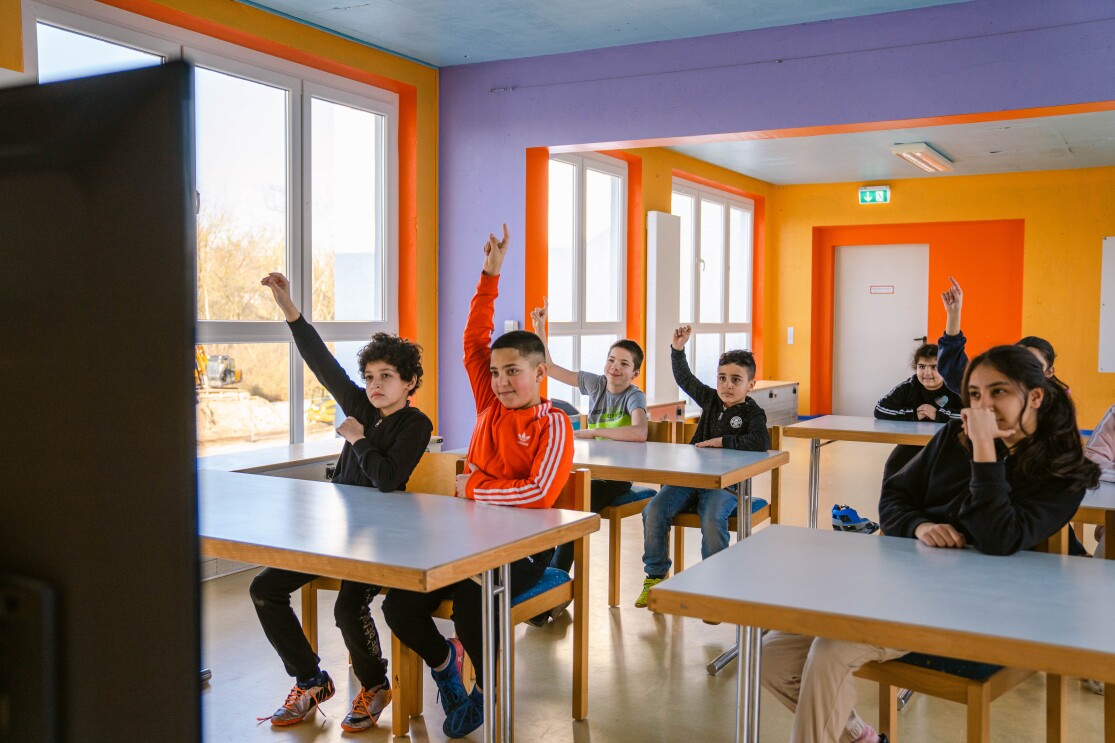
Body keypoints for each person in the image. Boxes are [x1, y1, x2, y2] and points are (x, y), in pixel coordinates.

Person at [762, 345, 1100, 743]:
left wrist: (985, 452)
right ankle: (860, 738)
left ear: (1036, 396)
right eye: (973, 394)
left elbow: (998, 536)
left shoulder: (1062, 475)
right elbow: (894, 497)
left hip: (982, 610)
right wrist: (920, 525)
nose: (983, 406)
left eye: (998, 392)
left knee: (830, 652)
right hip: (907, 587)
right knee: (772, 655)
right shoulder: (952, 439)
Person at [382, 225, 574, 738]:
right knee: (399, 603)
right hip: (465, 540)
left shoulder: (553, 422)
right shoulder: (490, 404)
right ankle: (445, 665)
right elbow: (473, 339)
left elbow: (538, 495)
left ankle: (488, 692)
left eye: (513, 371)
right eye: (495, 372)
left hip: (525, 548)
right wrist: (491, 273)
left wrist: (473, 486)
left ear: (539, 374)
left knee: (473, 602)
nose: (501, 381)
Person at [251, 272, 433, 732]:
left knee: (347, 608)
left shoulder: (416, 424)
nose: (375, 385)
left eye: (386, 377)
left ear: (410, 381)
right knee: (265, 588)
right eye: (370, 377)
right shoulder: (360, 404)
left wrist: (357, 438)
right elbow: (321, 361)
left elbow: (388, 480)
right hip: (336, 532)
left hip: (382, 539)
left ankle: (376, 685)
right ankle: (311, 679)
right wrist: (289, 308)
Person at [635, 325, 770, 609]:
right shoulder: (710, 400)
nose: (727, 385)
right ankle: (655, 577)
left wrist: (723, 441)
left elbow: (761, 441)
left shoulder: (753, 413)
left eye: (736, 380)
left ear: (751, 385)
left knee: (711, 520)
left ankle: (715, 586)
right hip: (690, 480)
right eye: (722, 378)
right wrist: (678, 349)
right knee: (653, 510)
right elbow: (684, 378)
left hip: (725, 487)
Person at [530, 296, 649, 576]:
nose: (614, 367)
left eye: (623, 364)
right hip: (588, 472)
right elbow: (550, 367)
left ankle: (557, 578)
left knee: (576, 511)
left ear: (634, 373)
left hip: (616, 478)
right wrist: (540, 328)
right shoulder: (595, 383)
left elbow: (640, 432)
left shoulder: (634, 395)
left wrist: (594, 432)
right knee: (548, 500)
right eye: (611, 360)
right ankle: (539, 574)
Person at [936, 276, 1068, 392]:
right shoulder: (994, 391)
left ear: (1049, 372)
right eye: (1017, 362)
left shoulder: (1054, 407)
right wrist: (954, 314)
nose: (1022, 370)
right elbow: (954, 369)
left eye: (1033, 365)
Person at [873, 342, 963, 483]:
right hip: (912, 443)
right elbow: (880, 408)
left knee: (945, 475)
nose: (927, 373)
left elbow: (972, 414)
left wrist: (939, 414)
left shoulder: (954, 387)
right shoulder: (909, 385)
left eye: (934, 367)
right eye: (921, 367)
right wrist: (913, 414)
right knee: (893, 466)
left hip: (948, 444)